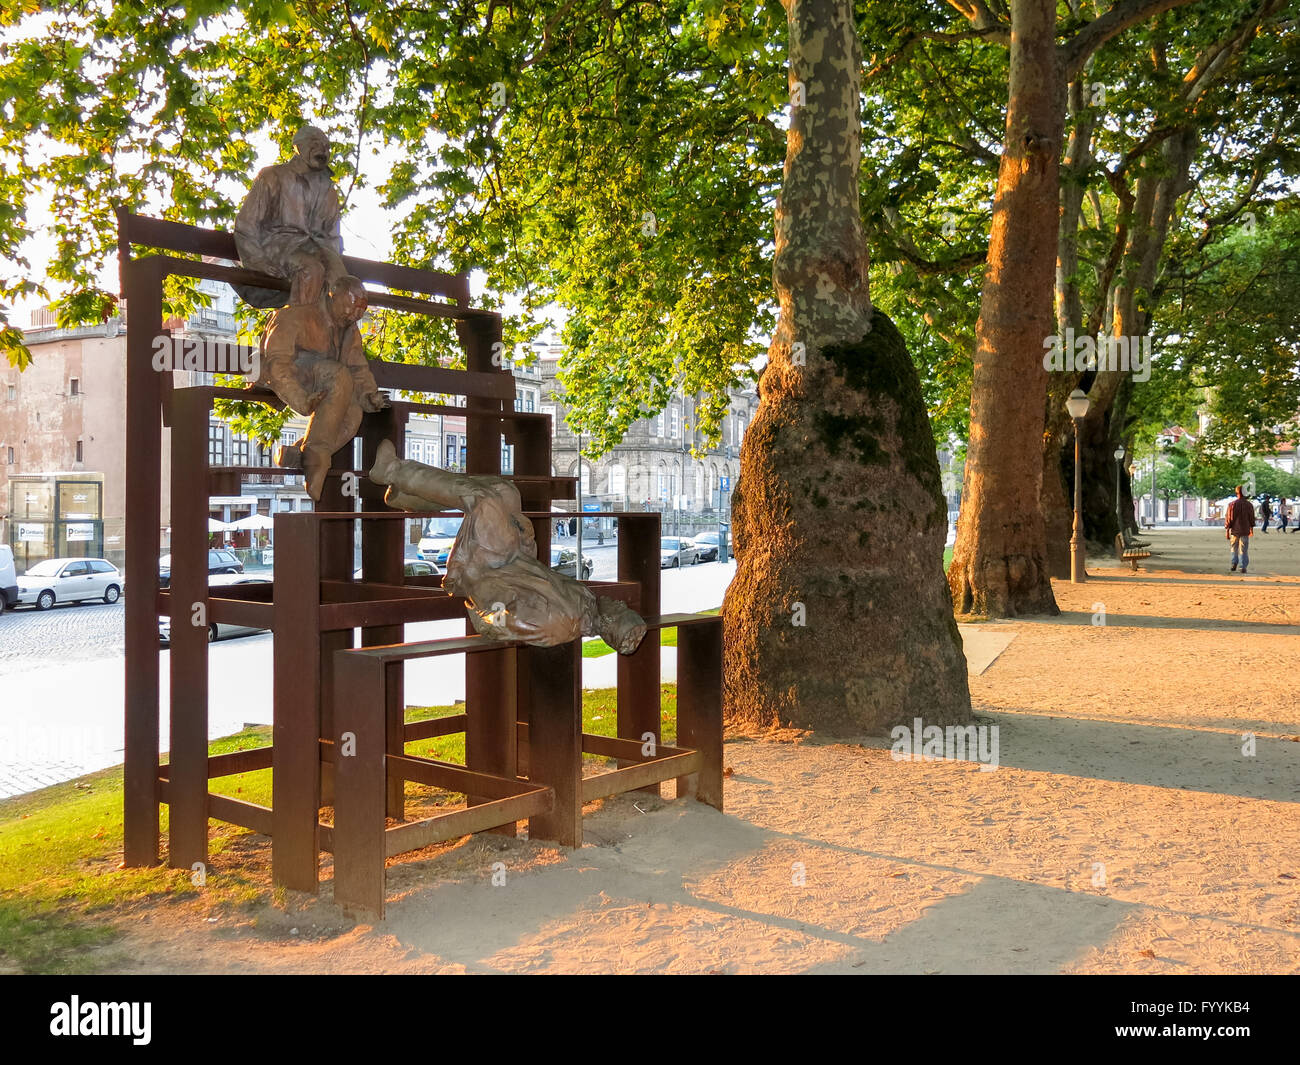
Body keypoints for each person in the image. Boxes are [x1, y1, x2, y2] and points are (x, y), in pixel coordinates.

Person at [368, 440, 646, 652]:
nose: (619, 602)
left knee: (485, 500)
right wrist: (527, 542)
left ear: (609, 623)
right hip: (511, 559)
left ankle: (393, 472)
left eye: (621, 610)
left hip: (487, 571)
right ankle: (407, 496)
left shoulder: (558, 624)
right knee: (506, 492)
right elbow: (535, 576)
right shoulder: (586, 601)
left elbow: (503, 624)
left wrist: (479, 612)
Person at [258, 275, 388, 499]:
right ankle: (317, 461)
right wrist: (301, 400)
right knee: (338, 375)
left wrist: (369, 396)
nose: (354, 315)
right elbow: (276, 363)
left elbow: (357, 367)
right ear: (333, 293)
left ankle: (300, 453)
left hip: (331, 384)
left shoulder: (350, 331)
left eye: (361, 311)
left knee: (353, 413)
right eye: (351, 306)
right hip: (292, 376)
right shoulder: (295, 316)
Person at [234, 124, 348, 308]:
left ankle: (335, 334)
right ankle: (301, 328)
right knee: (311, 270)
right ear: (297, 146)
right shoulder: (273, 176)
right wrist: (258, 261)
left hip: (319, 250)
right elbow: (246, 224)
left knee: (346, 286)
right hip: (279, 248)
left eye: (327, 147)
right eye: (315, 143)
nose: (323, 150)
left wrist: (334, 261)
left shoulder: (328, 190)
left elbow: (332, 235)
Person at [1225, 485, 1256, 574]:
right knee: (1244, 549)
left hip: (1235, 530)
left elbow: (1229, 518)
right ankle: (1243, 566)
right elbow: (1251, 518)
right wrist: (1251, 529)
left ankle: (1234, 563)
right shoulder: (1249, 505)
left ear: (1237, 493)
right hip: (1245, 529)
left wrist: (1227, 530)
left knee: (1234, 548)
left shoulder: (1232, 505)